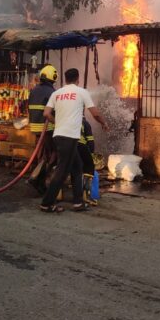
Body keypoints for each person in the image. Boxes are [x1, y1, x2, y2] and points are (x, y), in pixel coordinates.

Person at [40, 68, 108, 213]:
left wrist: (57, 122)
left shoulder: (56, 93)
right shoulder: (82, 92)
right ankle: (47, 203)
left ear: (65, 79)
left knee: (77, 167)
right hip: (70, 137)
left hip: (58, 135)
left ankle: (78, 202)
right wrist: (104, 123)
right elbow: (95, 113)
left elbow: (46, 113)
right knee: (62, 171)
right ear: (77, 79)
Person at [27, 65, 57, 194]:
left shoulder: (34, 90)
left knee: (41, 154)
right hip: (47, 128)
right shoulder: (52, 92)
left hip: (35, 127)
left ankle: (39, 179)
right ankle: (37, 178)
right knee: (52, 155)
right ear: (53, 78)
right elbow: (54, 111)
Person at [77, 118, 97, 206]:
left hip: (65, 145)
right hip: (80, 145)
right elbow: (90, 140)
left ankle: (58, 194)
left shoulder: (66, 118)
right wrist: (91, 155)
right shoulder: (85, 122)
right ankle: (86, 195)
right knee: (89, 167)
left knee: (63, 168)